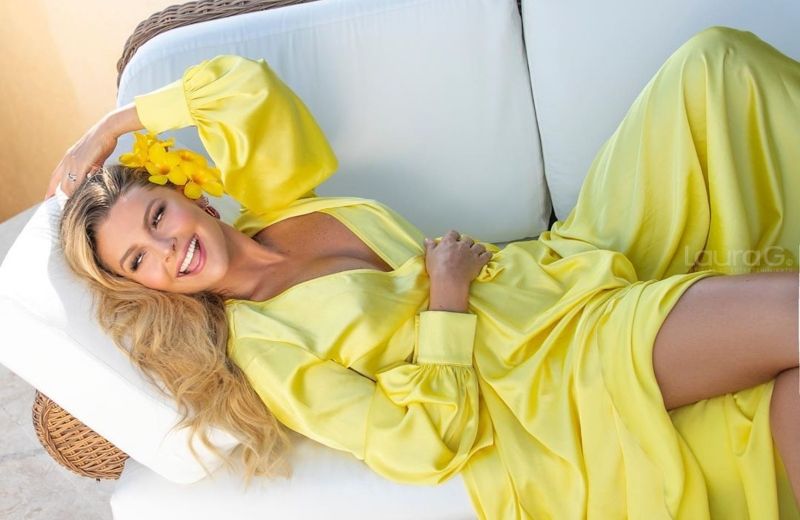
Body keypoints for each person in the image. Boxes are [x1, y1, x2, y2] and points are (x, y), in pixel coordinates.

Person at [46, 26, 800, 519]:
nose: (167, 250)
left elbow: (241, 88)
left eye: (157, 218)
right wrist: (446, 298)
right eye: (139, 261)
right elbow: (415, 445)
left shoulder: (278, 205)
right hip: (541, 372)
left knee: (714, 66)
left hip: (553, 269)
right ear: (145, 287)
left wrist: (112, 127)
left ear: (189, 194)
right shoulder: (265, 347)